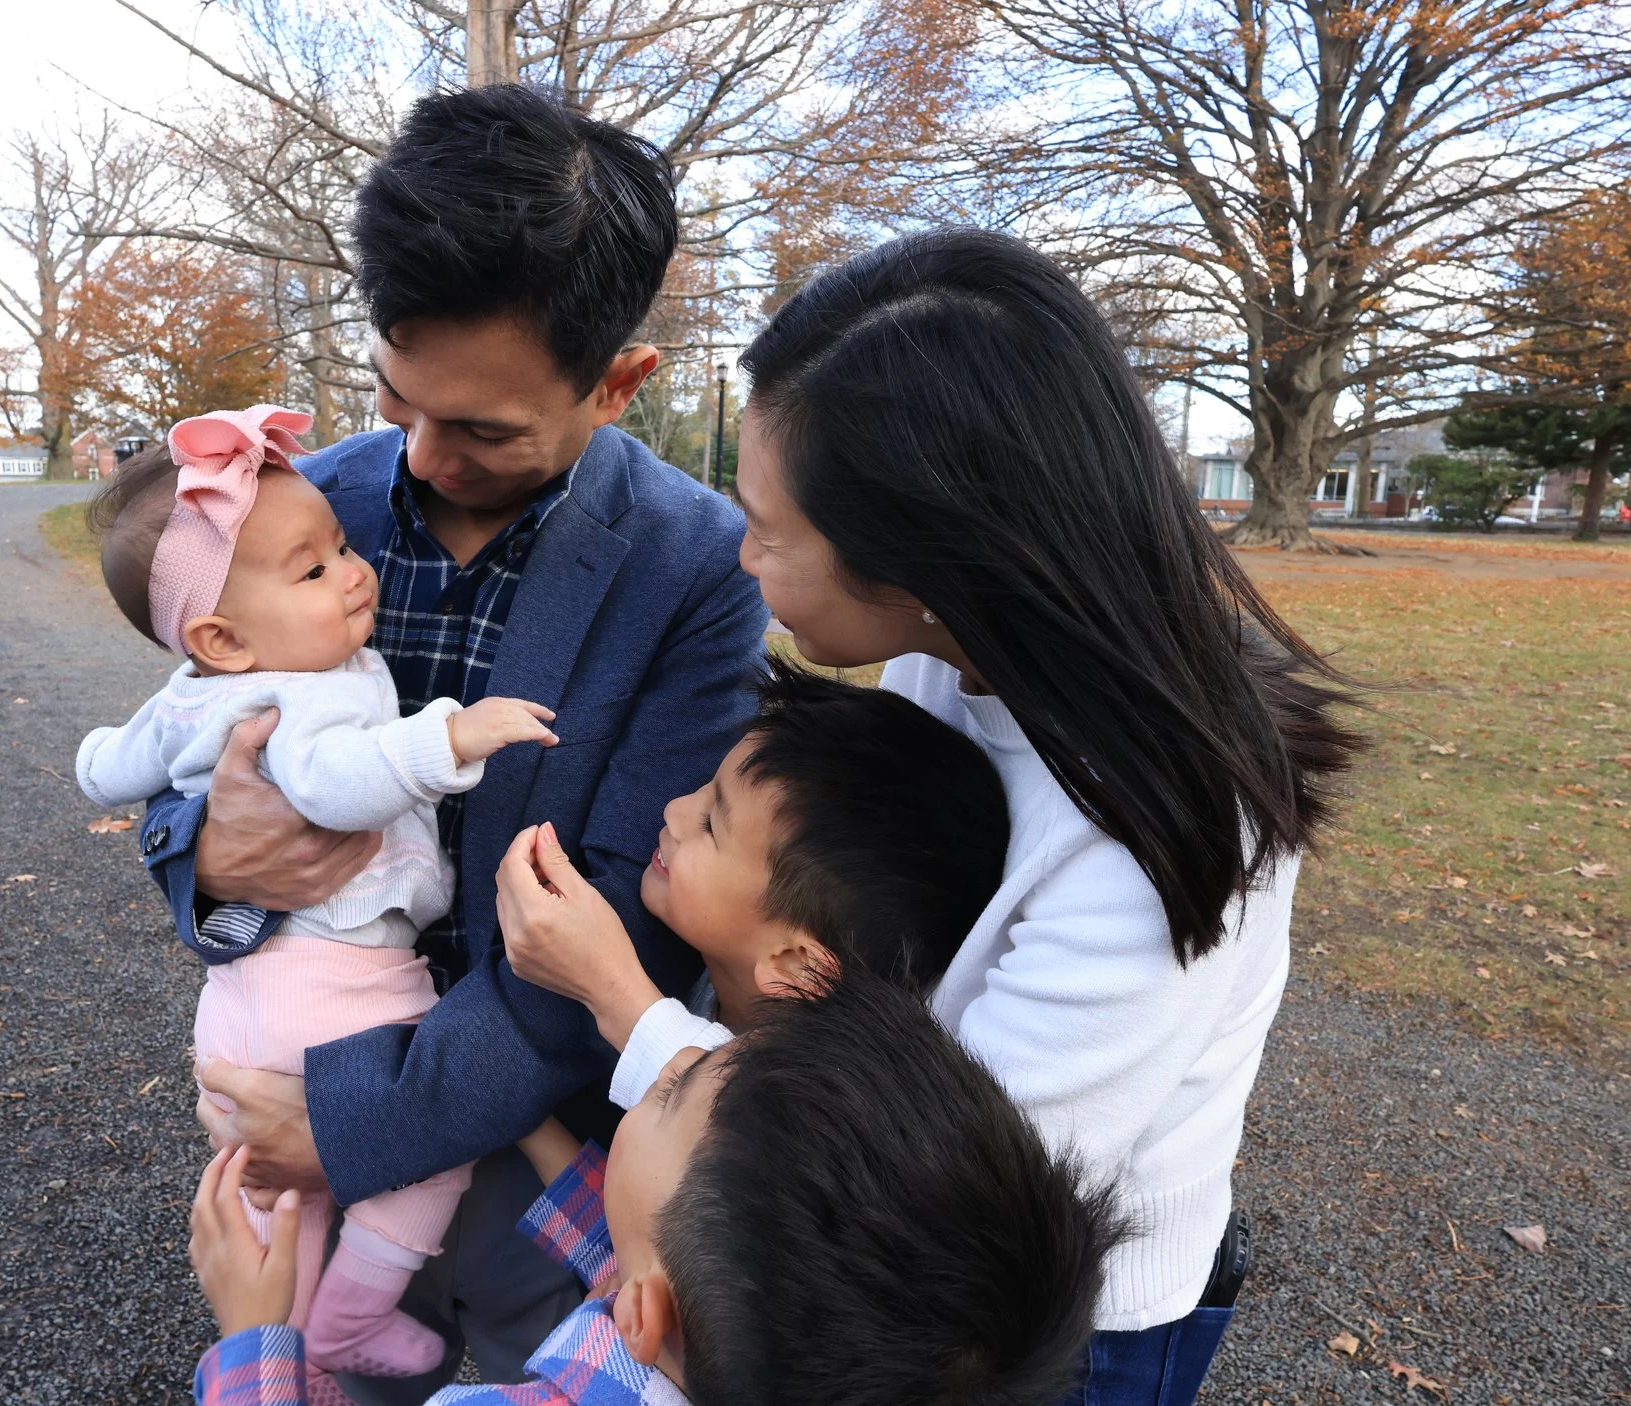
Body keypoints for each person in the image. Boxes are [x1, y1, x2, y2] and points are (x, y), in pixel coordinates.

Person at [136, 84, 768, 1401]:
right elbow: (195, 746)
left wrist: (363, 1118)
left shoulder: (697, 567)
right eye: (396, 397)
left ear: (618, 381)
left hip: (552, 1145)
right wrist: (204, 854)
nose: (421, 456)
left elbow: (634, 913)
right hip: (307, 1065)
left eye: (484, 429)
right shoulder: (319, 503)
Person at [704, 228, 1360, 1405]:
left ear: (921, 566)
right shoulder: (949, 655)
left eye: (766, 528)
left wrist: (630, 1008)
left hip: (1052, 1321)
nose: (740, 553)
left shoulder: (1148, 826)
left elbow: (952, 1200)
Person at [77, 406, 563, 1376]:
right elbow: (339, 781)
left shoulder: (190, 688)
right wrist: (447, 737)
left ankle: (282, 1355)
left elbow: (114, 763)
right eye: (314, 569)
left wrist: (99, 761)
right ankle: (355, 1310)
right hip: (344, 992)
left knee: (281, 1215)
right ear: (220, 634)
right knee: (430, 1152)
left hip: (245, 1010)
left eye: (342, 546)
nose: (353, 570)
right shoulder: (311, 691)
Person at [187, 976, 1118, 1406]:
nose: (673, 1064)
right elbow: (642, 1252)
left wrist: (252, 1337)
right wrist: (507, 1112)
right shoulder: (734, 1340)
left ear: (642, 1313)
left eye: (674, 1087)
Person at [493, 656, 1011, 1083]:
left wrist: (603, 984)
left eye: (713, 826)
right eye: (704, 790)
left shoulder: (812, 1104)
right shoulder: (721, 979)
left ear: (794, 965)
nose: (675, 810)